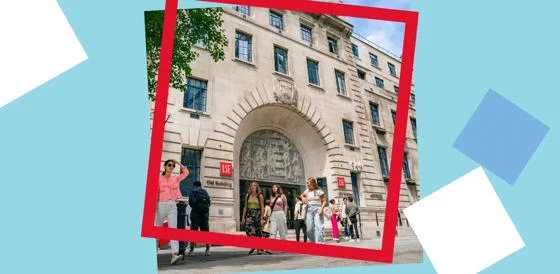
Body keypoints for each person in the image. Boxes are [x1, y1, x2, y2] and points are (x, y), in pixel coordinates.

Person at [156, 159, 189, 265]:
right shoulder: (159, 179)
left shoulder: (175, 178)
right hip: (160, 205)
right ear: (165, 167)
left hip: (172, 205)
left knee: (173, 230)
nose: (171, 167)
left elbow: (186, 172)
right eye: (169, 165)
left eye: (173, 166)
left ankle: (174, 254)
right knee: (157, 230)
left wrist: (177, 162)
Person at [188, 181, 211, 256]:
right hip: (204, 216)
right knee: (206, 233)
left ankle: (192, 250)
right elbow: (209, 203)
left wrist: (196, 207)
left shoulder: (193, 192)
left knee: (193, 233)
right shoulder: (205, 192)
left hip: (195, 215)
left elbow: (190, 203)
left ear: (194, 186)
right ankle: (207, 249)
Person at [241, 182, 264, 255]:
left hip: (257, 214)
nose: (252, 187)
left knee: (257, 231)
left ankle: (258, 248)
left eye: (254, 186)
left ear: (257, 187)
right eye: (251, 186)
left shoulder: (260, 196)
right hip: (249, 214)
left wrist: (262, 217)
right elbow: (245, 207)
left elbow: (262, 207)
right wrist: (243, 217)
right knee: (248, 230)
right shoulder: (247, 196)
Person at [302, 177, 327, 243]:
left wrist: (321, 208)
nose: (307, 184)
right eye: (307, 183)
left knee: (318, 227)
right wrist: (303, 198)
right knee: (309, 230)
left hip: (318, 209)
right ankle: (314, 242)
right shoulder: (307, 191)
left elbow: (324, 201)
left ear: (312, 183)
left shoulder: (319, 191)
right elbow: (302, 195)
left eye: (308, 183)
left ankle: (320, 244)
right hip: (309, 210)